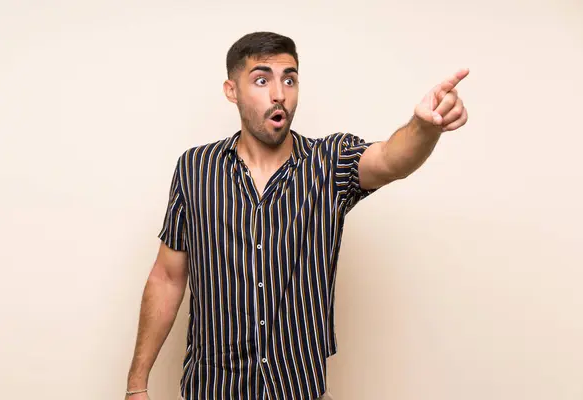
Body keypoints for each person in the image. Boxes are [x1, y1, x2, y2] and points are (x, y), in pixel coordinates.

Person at [124, 31, 469, 400]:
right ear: (231, 91)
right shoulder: (196, 169)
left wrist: (425, 127)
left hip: (298, 390)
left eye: (289, 79)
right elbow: (167, 277)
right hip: (213, 390)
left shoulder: (327, 162)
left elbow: (389, 160)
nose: (279, 94)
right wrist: (136, 385)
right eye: (261, 79)